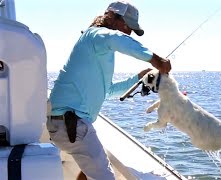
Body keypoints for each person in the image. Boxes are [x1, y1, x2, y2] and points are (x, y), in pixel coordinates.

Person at [46, 1, 171, 180]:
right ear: (111, 17)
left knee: (89, 170)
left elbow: (109, 90)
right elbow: (115, 39)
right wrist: (155, 60)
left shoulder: (99, 49)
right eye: (127, 26)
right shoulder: (96, 35)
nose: (128, 32)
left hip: (67, 125)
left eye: (132, 30)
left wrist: (139, 77)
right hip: (72, 124)